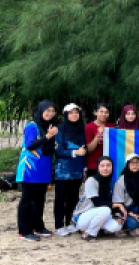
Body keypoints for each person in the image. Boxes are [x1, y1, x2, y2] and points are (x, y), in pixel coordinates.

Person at [17, 101, 59, 242]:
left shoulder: (50, 127)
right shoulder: (32, 126)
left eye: (52, 111)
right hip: (30, 167)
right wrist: (48, 136)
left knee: (40, 198)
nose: (50, 113)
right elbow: (30, 145)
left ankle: (38, 226)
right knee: (27, 199)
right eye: (47, 110)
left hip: (44, 167)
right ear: (40, 111)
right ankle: (24, 230)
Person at [53, 103, 87, 236]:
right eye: (71, 113)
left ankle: (70, 223)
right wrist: (74, 153)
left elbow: (84, 150)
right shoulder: (59, 130)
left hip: (77, 170)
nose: (74, 115)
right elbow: (58, 150)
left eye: (76, 112)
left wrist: (83, 168)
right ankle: (59, 225)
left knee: (74, 198)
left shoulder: (80, 130)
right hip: (63, 171)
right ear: (66, 115)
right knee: (61, 198)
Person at [71, 156, 123, 242]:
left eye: (108, 165)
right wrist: (117, 205)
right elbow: (97, 203)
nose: (105, 168)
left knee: (116, 226)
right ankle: (89, 233)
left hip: (99, 214)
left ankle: (96, 229)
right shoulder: (91, 180)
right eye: (102, 166)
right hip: (81, 217)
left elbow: (110, 201)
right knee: (105, 210)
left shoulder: (111, 183)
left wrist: (116, 214)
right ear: (97, 167)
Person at [112, 153, 139, 237]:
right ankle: (121, 228)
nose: (135, 165)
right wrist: (131, 214)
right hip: (124, 209)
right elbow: (118, 202)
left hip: (136, 206)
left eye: (137, 162)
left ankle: (135, 229)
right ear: (128, 164)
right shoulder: (121, 180)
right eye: (132, 163)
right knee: (133, 223)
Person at [85, 103, 114, 177]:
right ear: (95, 112)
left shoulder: (112, 127)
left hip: (108, 165)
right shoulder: (89, 127)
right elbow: (88, 150)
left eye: (106, 112)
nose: (104, 114)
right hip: (93, 165)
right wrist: (98, 135)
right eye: (101, 111)